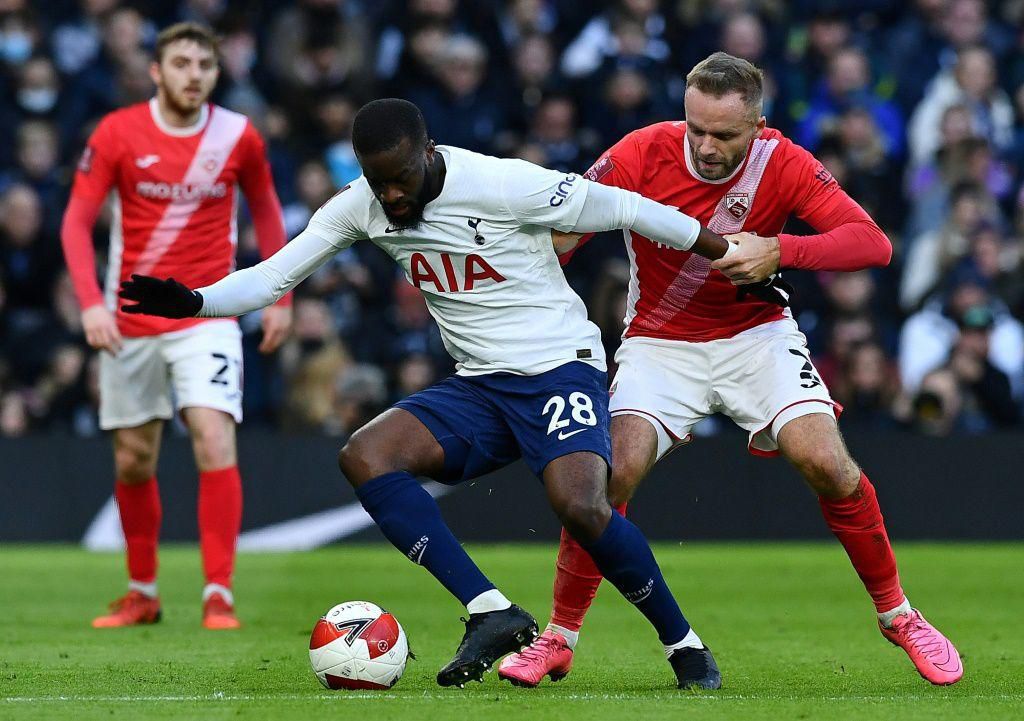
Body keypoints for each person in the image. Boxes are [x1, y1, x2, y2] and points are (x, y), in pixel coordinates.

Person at [116, 98, 783, 689]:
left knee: (581, 505)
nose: (392, 196)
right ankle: (491, 609)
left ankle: (684, 644)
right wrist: (196, 300)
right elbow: (274, 277)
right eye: (378, 181)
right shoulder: (363, 206)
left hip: (559, 366)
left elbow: (627, 208)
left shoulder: (501, 183)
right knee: (365, 455)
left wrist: (726, 254)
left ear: (427, 153)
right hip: (481, 386)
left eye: (401, 178)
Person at [500, 52, 963, 688]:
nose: (707, 147)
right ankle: (558, 637)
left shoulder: (786, 161)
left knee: (828, 464)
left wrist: (782, 250)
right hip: (660, 343)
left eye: (725, 135)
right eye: (697, 130)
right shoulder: (639, 152)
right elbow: (564, 236)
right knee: (610, 478)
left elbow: (873, 243)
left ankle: (899, 616)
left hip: (757, 336)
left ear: (758, 125)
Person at [60, 23, 293, 630]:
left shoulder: (237, 136)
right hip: (130, 316)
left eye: (205, 65)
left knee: (213, 437)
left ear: (218, 73)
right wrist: (89, 302)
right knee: (135, 457)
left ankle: (219, 593)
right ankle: (143, 592)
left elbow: (267, 211)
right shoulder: (117, 132)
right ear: (157, 72)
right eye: (182, 63)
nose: (195, 74)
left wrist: (280, 296)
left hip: (204, 312)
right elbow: (75, 222)